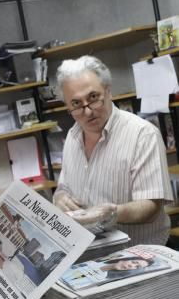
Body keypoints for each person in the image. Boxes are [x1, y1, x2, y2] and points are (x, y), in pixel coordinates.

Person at [53, 55, 172, 245]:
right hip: (91, 250)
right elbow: (64, 186)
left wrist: (112, 214)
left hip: (139, 252)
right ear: (67, 106)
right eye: (76, 104)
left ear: (108, 92)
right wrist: (59, 197)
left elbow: (151, 206)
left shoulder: (143, 134)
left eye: (93, 98)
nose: (88, 111)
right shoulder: (72, 137)